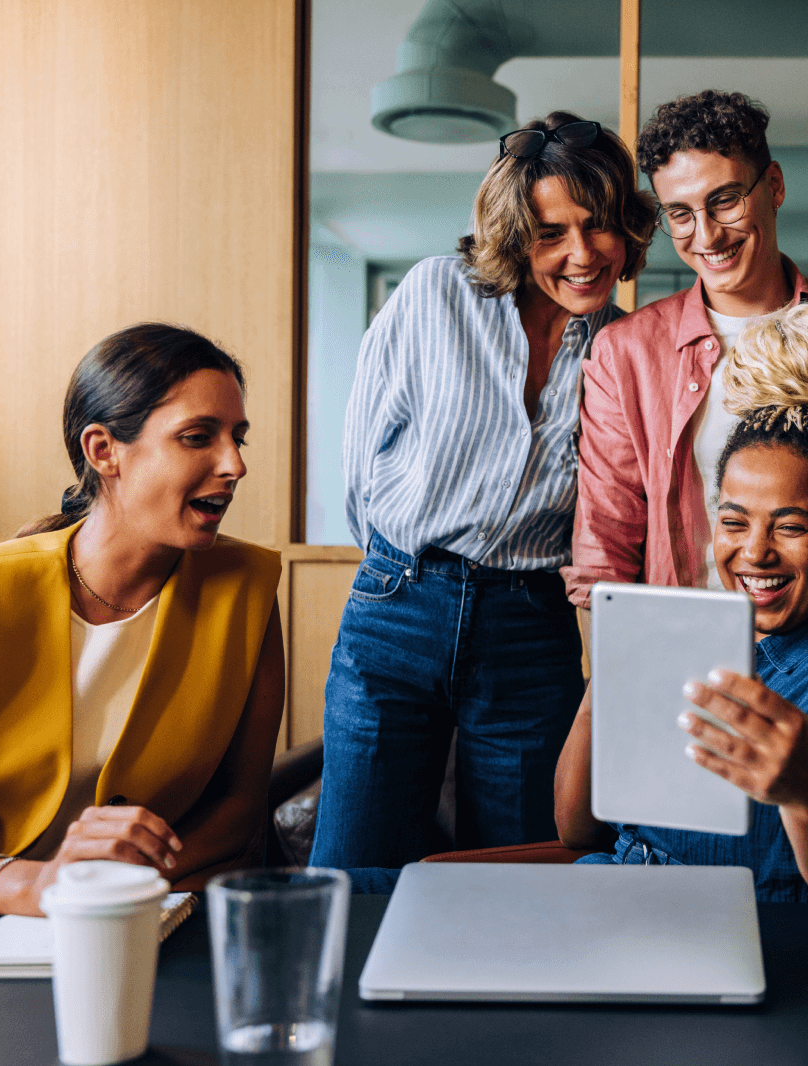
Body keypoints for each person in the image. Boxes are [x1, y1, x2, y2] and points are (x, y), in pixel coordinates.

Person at [310, 112, 657, 872]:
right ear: (515, 234)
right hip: (399, 606)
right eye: (551, 233)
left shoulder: (624, 347)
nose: (581, 254)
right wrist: (406, 572)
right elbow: (363, 461)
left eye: (598, 225)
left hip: (529, 627)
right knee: (356, 867)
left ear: (627, 227)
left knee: (525, 873)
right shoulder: (435, 293)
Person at [0, 323, 284, 918]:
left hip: (138, 917)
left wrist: (111, 890)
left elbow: (238, 812)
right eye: (198, 437)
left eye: (237, 438)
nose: (234, 464)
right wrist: (34, 887)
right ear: (103, 450)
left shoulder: (248, 590)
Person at [555, 304, 808, 905]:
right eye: (733, 522)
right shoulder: (674, 643)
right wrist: (609, 679)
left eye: (791, 526)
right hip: (614, 897)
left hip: (736, 928)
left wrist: (807, 788)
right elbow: (576, 828)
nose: (754, 552)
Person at [564, 89, 808, 643]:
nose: (707, 235)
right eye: (681, 214)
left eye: (725, 201)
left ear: (774, 186)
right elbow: (604, 549)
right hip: (686, 650)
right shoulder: (626, 354)